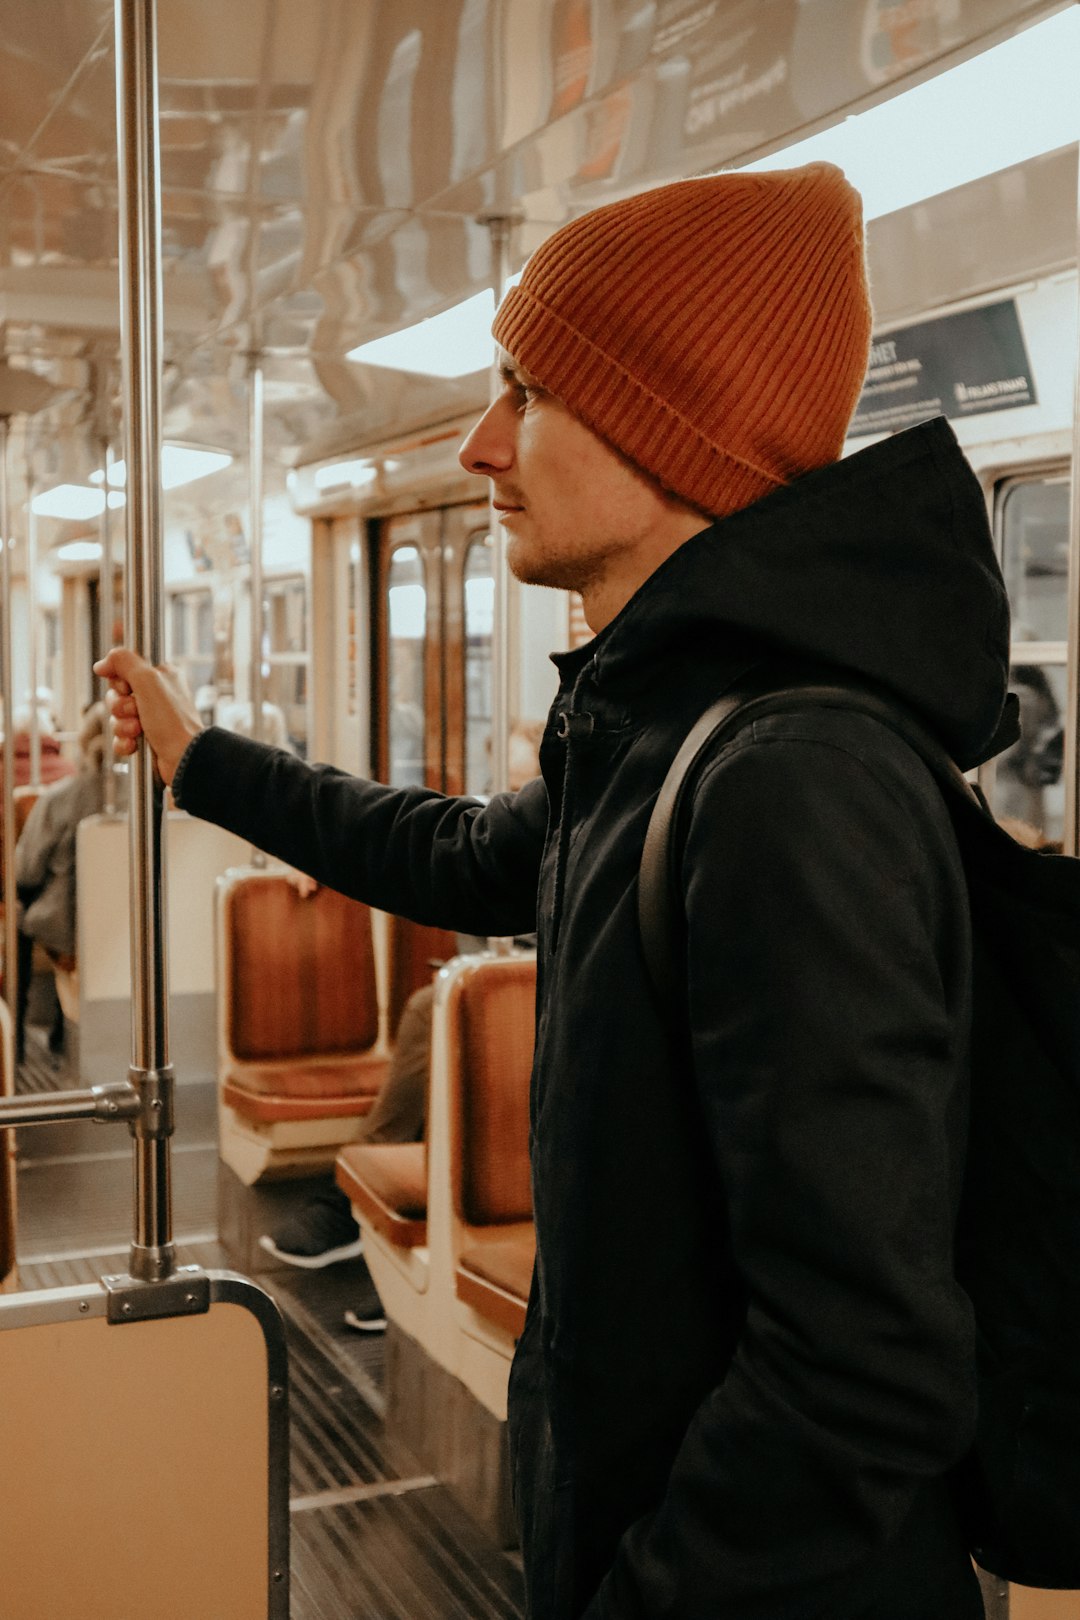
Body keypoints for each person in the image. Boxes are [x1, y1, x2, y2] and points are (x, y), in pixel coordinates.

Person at [97, 164, 1013, 1619]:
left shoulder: (788, 778)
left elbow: (865, 1365)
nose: (478, 446)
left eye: (527, 395)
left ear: (669, 432)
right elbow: (461, 857)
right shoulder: (662, 735)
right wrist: (204, 758)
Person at [13, 703, 124, 1061]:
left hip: (67, 919)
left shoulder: (60, 798)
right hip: (129, 912)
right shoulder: (144, 796)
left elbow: (27, 870)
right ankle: (62, 1027)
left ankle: (17, 1035)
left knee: (22, 920)